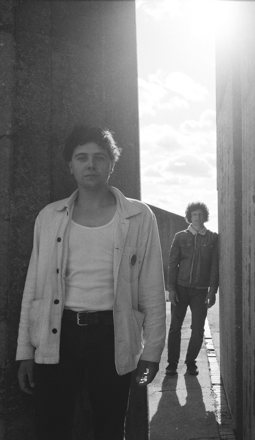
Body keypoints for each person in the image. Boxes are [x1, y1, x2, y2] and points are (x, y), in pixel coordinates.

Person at [16, 125, 166, 440]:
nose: (91, 164)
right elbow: (34, 287)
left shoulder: (139, 217)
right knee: (51, 427)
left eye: (99, 157)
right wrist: (25, 351)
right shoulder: (49, 217)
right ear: (70, 165)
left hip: (113, 334)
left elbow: (152, 289)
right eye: (81, 157)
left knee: (110, 427)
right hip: (58, 332)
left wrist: (152, 352)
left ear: (111, 164)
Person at [165, 202, 219, 376]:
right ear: (189, 217)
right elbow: (172, 263)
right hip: (180, 289)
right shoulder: (180, 237)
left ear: (205, 217)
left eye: (200, 214)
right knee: (175, 327)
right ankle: (172, 365)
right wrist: (171, 289)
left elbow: (214, 266)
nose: (197, 217)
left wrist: (212, 291)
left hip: (200, 291)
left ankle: (191, 363)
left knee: (198, 329)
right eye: (194, 214)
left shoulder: (212, 238)